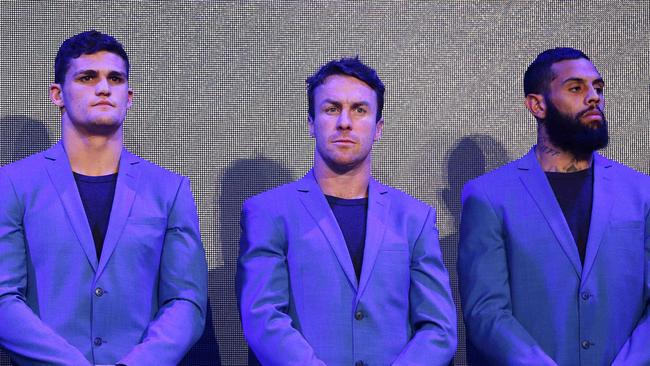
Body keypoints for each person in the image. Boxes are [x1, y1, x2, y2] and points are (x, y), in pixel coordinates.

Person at [0, 30, 208, 365]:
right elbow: (3, 298)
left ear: (129, 95)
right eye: (87, 77)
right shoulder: (13, 184)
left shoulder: (170, 190)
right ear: (58, 94)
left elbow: (186, 301)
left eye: (115, 78)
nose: (103, 87)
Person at [236, 57, 457, 366]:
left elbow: (439, 328)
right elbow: (263, 319)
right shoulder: (269, 212)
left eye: (359, 109)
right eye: (331, 109)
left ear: (378, 127)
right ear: (311, 123)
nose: (344, 122)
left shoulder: (414, 218)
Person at [458, 47, 649, 365]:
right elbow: (485, 312)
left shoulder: (641, 192)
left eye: (597, 88)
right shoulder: (489, 196)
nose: (593, 98)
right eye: (576, 88)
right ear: (537, 105)